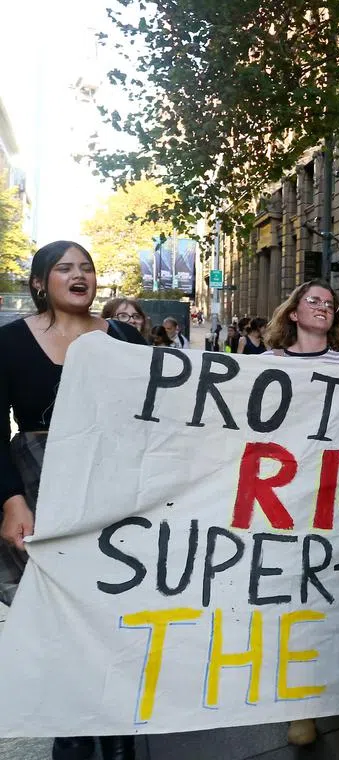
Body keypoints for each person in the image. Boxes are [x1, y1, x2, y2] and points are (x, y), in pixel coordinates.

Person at [0, 241, 145, 760]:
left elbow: (159, 412)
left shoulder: (124, 337)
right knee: (63, 615)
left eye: (87, 267)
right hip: (43, 487)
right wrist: (12, 500)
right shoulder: (10, 342)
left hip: (116, 489)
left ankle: (120, 732)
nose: (79, 275)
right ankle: (75, 732)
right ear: (41, 282)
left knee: (116, 608)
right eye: (65, 268)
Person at [262, 278, 339, 747]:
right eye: (313, 301)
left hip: (333, 493)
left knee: (325, 591)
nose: (322, 308)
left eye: (329, 304)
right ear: (293, 312)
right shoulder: (265, 366)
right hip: (280, 497)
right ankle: (296, 705)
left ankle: (317, 697)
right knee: (286, 592)